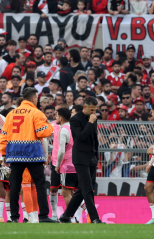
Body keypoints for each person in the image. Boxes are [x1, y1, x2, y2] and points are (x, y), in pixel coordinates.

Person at [0, 88, 56, 223]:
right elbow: (43, 132)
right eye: (36, 98)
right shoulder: (36, 113)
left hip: (14, 154)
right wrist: (51, 126)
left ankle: (14, 217)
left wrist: (3, 154)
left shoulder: (11, 114)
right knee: (40, 184)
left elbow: (4, 136)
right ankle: (43, 216)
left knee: (14, 187)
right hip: (32, 154)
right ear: (33, 99)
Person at [59, 96, 103, 224]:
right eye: (91, 110)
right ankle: (94, 218)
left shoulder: (93, 118)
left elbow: (95, 139)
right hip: (80, 158)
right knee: (87, 188)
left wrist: (96, 157)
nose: (93, 112)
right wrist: (90, 122)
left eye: (95, 110)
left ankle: (66, 216)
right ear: (85, 107)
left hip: (92, 158)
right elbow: (80, 137)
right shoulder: (75, 120)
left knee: (82, 189)